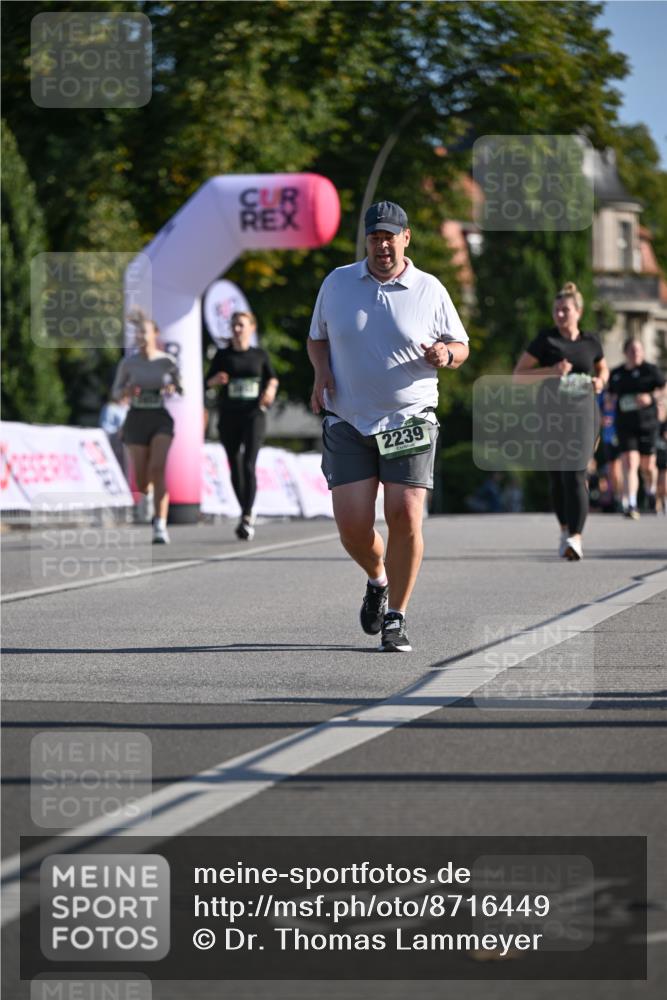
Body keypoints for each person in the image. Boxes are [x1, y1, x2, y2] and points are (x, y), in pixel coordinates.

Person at [308, 200, 469, 652]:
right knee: (353, 527)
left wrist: (447, 355)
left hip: (410, 418)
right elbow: (317, 338)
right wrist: (321, 373)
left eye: (390, 236)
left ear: (406, 238)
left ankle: (396, 616)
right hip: (349, 419)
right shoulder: (338, 283)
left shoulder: (430, 289)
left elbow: (461, 345)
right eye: (375, 236)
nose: (382, 245)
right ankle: (377, 579)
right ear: (366, 239)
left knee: (404, 514)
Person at [513, 282, 609, 561]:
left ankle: (575, 538)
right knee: (558, 478)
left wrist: (601, 380)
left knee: (576, 473)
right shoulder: (546, 341)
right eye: (556, 310)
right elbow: (519, 375)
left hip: (584, 415)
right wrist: (551, 370)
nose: (560, 314)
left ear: (578, 311)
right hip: (552, 416)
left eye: (565, 309)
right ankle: (565, 528)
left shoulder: (591, 341)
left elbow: (602, 367)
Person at [205, 311, 279, 540]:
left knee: (249, 463)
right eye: (234, 325)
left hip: (254, 414)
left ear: (251, 328)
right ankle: (244, 511)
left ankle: (247, 516)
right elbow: (206, 381)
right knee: (234, 465)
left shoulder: (259, 355)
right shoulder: (222, 355)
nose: (237, 329)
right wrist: (215, 381)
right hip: (229, 415)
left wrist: (270, 390)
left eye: (241, 325)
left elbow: (273, 378)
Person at [111, 310, 183, 543]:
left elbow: (181, 387)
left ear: (155, 334)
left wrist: (173, 388)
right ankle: (147, 496)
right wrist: (126, 392)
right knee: (142, 480)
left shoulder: (167, 361)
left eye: (145, 331)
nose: (140, 336)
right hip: (136, 419)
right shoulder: (128, 363)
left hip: (159, 419)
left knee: (158, 468)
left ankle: (160, 524)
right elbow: (115, 393)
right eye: (137, 332)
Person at [608, 338, 666, 518]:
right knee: (629, 462)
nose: (636, 353)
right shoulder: (617, 373)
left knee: (648, 466)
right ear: (625, 352)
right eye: (632, 350)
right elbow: (610, 396)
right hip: (625, 425)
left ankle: (650, 490)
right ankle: (631, 503)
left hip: (648, 424)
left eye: (639, 350)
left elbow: (664, 388)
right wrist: (608, 405)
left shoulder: (651, 370)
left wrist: (651, 397)